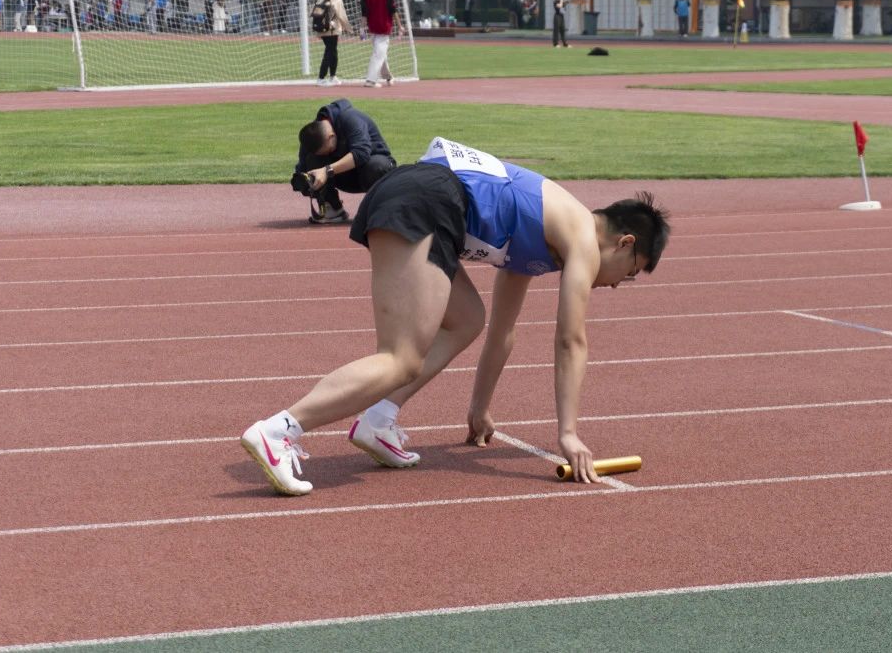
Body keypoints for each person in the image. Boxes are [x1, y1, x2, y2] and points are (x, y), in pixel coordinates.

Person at [242, 136, 671, 495]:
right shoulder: (581, 235)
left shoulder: (544, 238)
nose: (616, 284)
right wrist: (568, 434)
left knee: (468, 318)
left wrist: (480, 408)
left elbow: (502, 331)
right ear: (625, 243)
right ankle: (279, 430)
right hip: (426, 199)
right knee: (400, 357)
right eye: (629, 273)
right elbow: (571, 340)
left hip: (421, 195)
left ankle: (378, 419)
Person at [293, 98, 396, 225]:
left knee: (376, 166)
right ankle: (332, 208)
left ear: (331, 136)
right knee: (313, 160)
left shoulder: (350, 118)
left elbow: (361, 153)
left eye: (329, 150)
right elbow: (302, 169)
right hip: (346, 177)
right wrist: (306, 184)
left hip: (375, 171)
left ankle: (383, 208)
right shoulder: (312, 135)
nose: (328, 154)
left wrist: (327, 170)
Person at [360, 0, 402, 87]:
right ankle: (371, 80)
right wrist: (400, 26)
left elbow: (364, 14)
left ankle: (388, 77)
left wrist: (362, 29)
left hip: (373, 27)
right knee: (379, 54)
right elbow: (393, 11)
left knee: (380, 53)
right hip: (384, 28)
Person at [313, 0, 351, 85]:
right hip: (332, 29)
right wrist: (349, 28)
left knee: (332, 51)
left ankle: (333, 76)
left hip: (322, 29)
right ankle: (321, 78)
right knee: (330, 52)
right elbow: (342, 15)